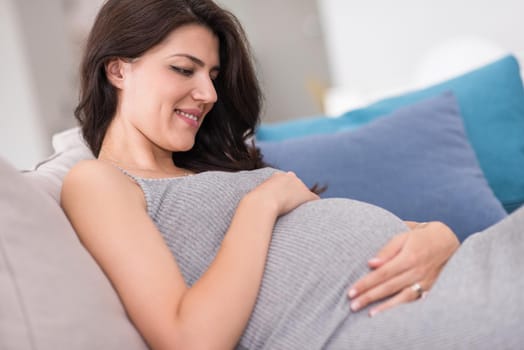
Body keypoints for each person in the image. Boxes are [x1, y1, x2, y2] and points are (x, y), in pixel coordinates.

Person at [61, 0, 524, 349]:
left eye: (214, 75)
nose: (207, 93)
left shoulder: (210, 165)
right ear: (118, 69)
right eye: (184, 69)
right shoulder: (97, 182)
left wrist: (438, 237)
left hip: (457, 272)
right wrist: (260, 204)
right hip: (382, 328)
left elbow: (363, 241)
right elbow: (189, 339)